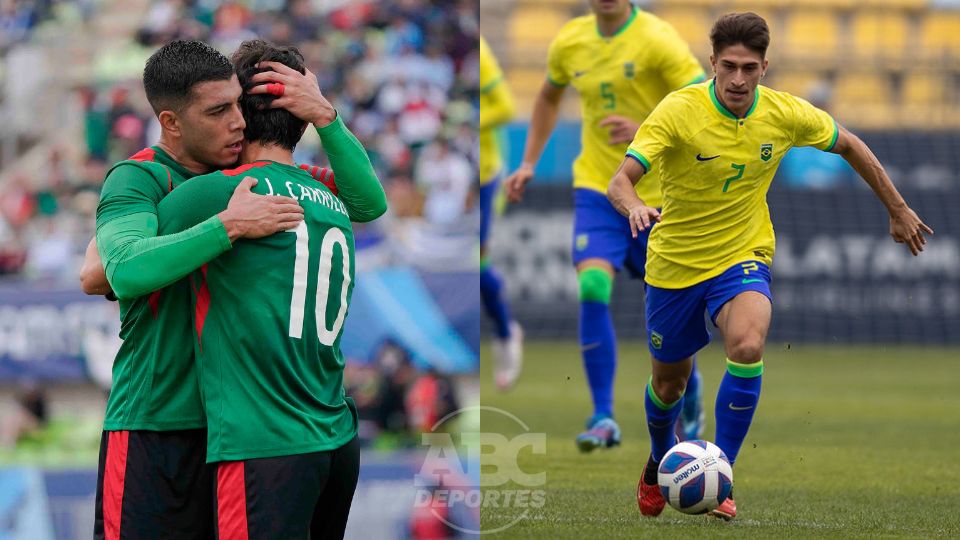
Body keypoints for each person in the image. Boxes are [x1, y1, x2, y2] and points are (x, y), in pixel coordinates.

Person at [606, 12, 933, 520]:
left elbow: (849, 143)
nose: (738, 79)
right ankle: (656, 462)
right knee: (669, 384)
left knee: (749, 343)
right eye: (729, 66)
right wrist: (635, 208)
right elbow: (620, 181)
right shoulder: (678, 110)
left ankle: (721, 474)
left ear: (765, 67)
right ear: (712, 63)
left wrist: (897, 207)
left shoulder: (784, 113)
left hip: (743, 253)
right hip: (673, 264)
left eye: (750, 68)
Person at [82, 40, 382, 539]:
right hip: (156, 422)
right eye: (219, 111)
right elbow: (108, 271)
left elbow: (367, 202)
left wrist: (326, 115)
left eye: (239, 106)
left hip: (232, 430)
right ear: (172, 122)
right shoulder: (141, 177)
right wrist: (229, 226)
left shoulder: (250, 178)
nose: (238, 122)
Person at [503, 0, 707, 451]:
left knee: (673, 315)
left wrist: (647, 127)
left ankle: (690, 394)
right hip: (597, 188)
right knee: (593, 285)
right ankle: (602, 417)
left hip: (660, 195)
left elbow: (703, 101)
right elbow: (547, 97)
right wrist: (529, 162)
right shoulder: (571, 40)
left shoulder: (658, 38)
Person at [479, 35, 523, 390]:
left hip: (486, 176)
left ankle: (507, 334)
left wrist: (471, 122)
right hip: (461, 176)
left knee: (479, 265)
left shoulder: (481, 48)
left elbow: (506, 107)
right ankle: (506, 330)